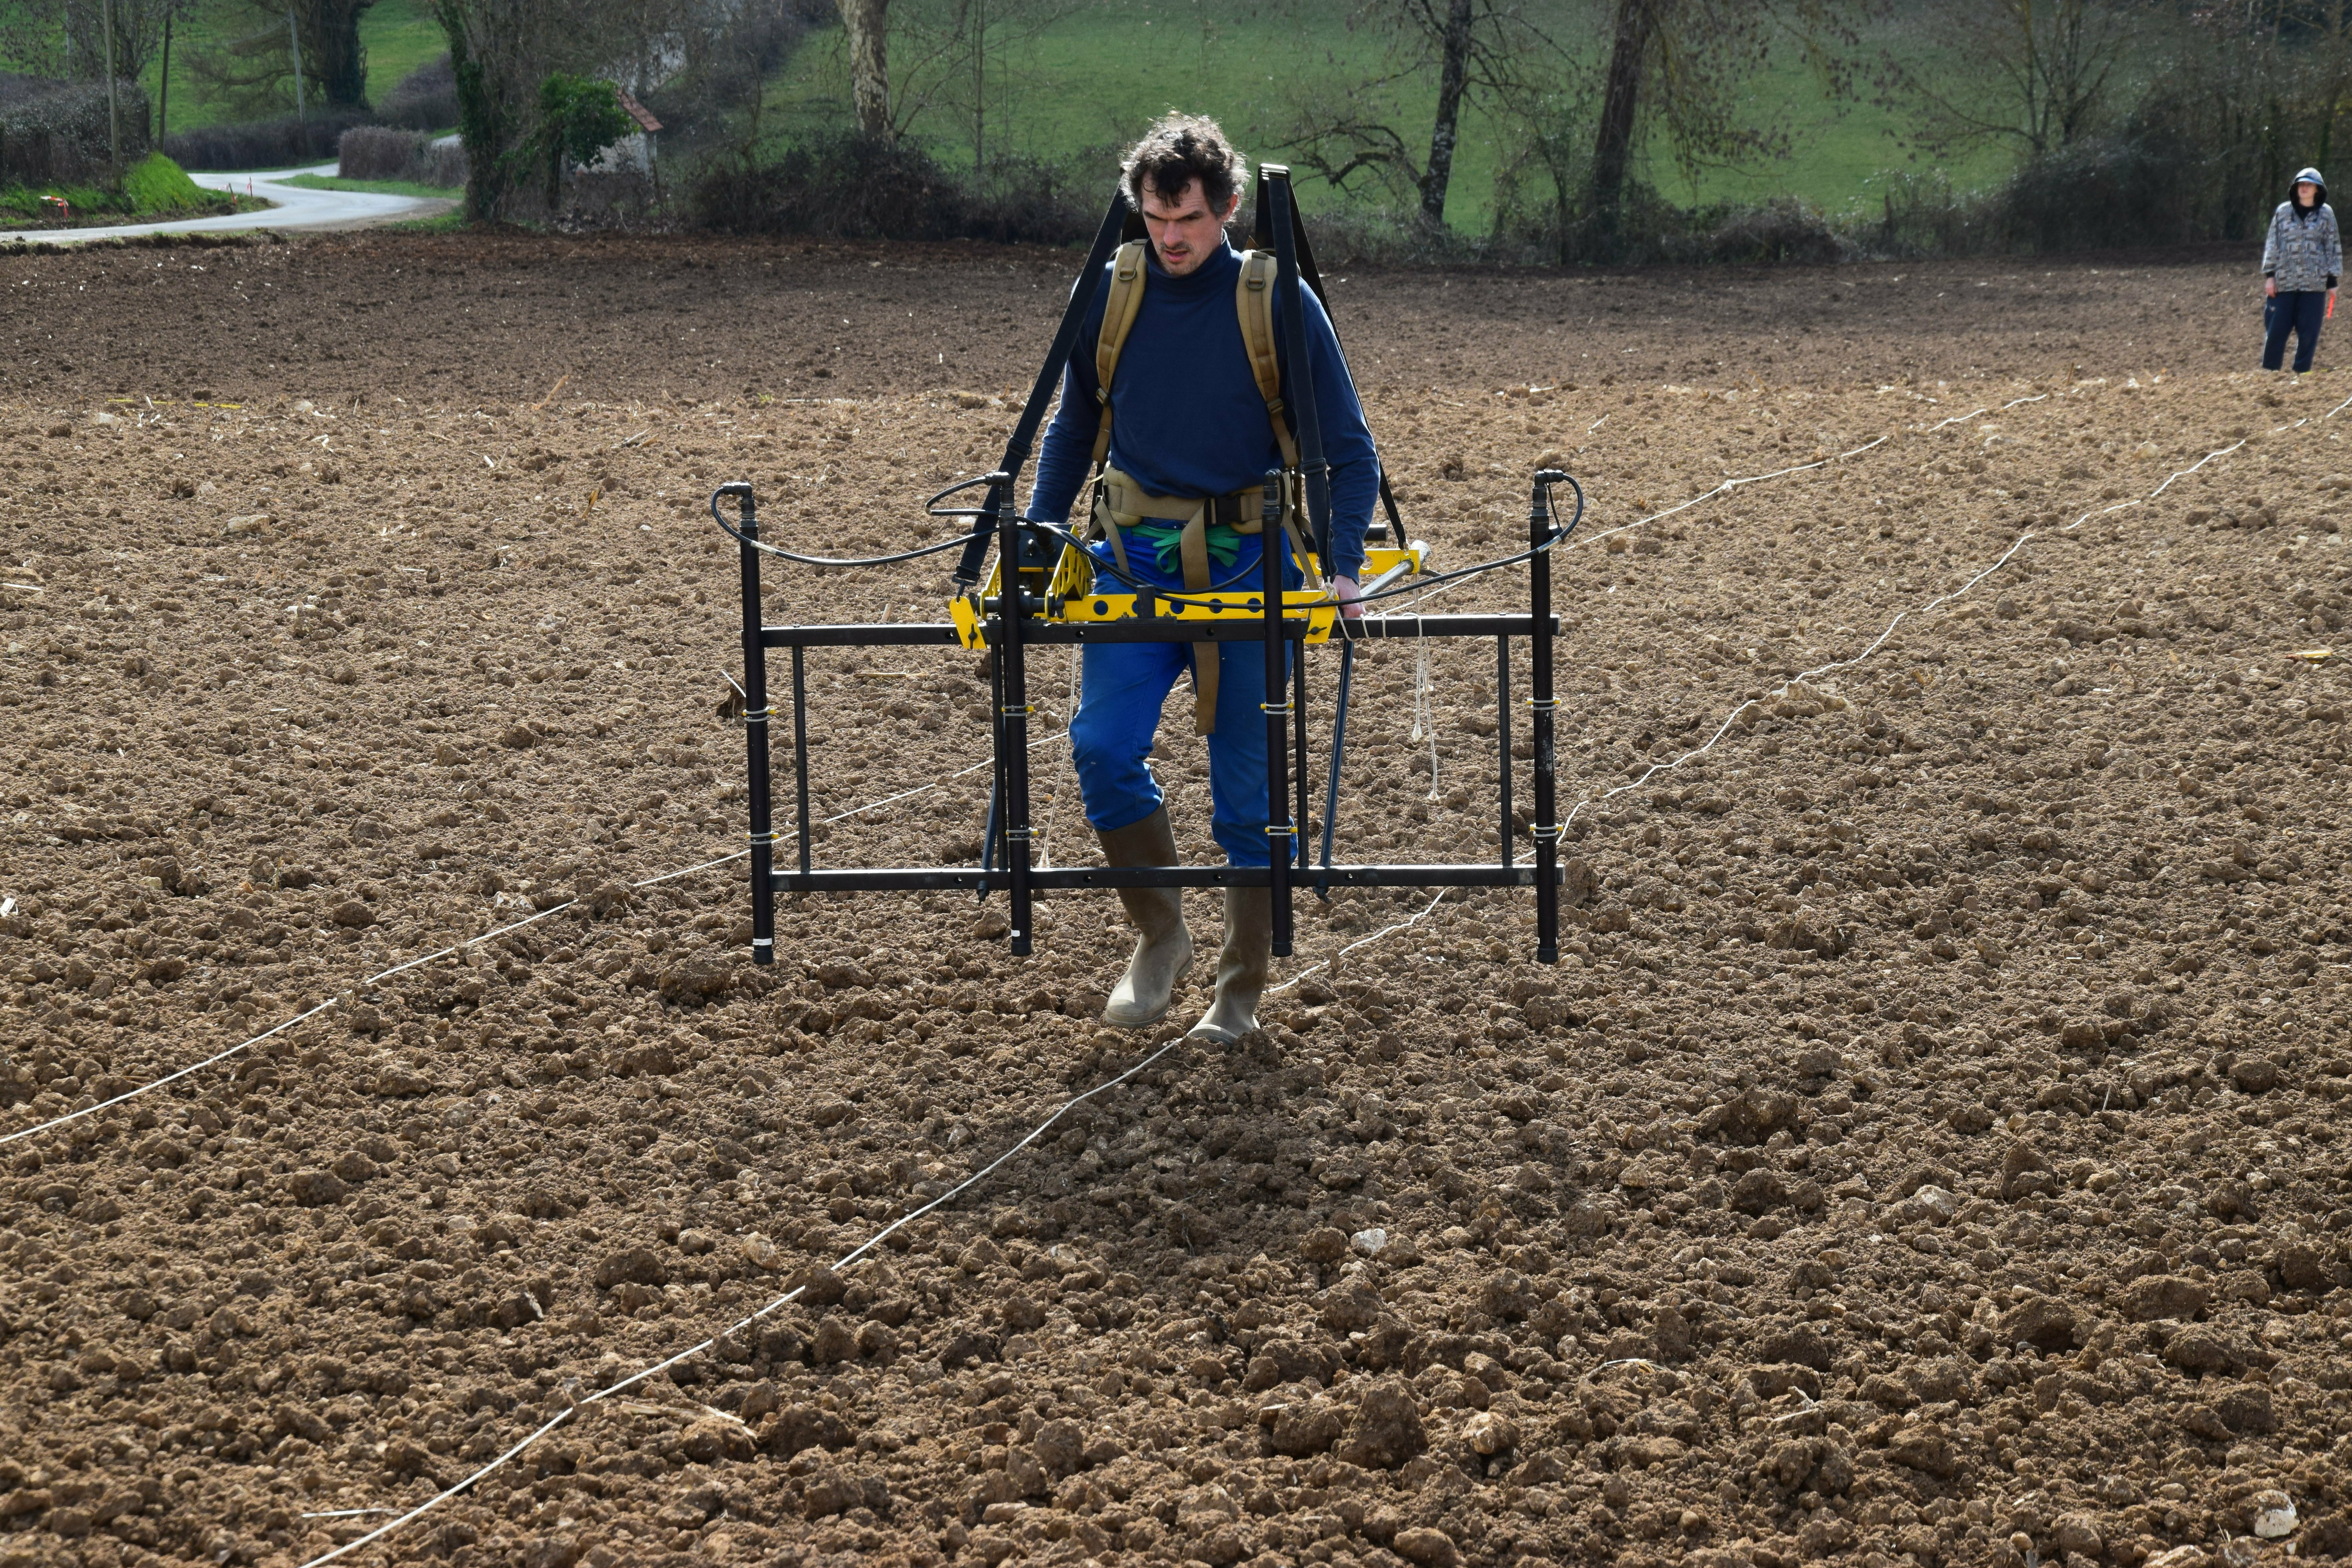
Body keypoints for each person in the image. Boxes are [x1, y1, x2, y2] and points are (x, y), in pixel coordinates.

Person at [1022, 113, 1379, 1045]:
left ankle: (1240, 987)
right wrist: (1035, 535)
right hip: (1132, 569)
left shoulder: (1277, 303)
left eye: (1186, 217)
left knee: (1248, 803)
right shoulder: (1113, 294)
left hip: (1249, 575)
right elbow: (1070, 431)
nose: (1170, 236)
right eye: (1154, 216)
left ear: (1226, 208)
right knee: (1100, 748)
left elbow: (1348, 450)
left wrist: (1343, 569)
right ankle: (1161, 937)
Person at [2263, 166, 2341, 373]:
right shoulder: (2283, 212)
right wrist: (2270, 276)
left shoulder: (2326, 215)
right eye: (2301, 184)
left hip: (2314, 285)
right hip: (2284, 283)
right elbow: (2273, 244)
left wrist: (2332, 282)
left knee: (2309, 334)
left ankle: (2301, 375)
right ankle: (2270, 374)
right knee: (2276, 331)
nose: (2304, 188)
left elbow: (2332, 247)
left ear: (2317, 189)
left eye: (2309, 185)